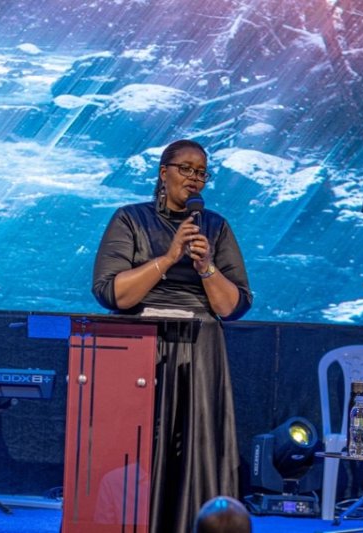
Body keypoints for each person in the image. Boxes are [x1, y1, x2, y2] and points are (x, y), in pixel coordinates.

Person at [92, 139, 253, 533]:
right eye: (186, 169)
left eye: (202, 173)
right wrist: (168, 257)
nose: (194, 178)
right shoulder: (130, 219)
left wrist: (206, 266)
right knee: (142, 443)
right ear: (163, 173)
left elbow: (233, 306)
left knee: (193, 445)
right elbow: (112, 293)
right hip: (143, 347)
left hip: (200, 351)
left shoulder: (215, 226)